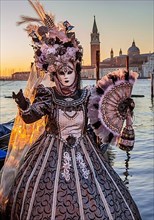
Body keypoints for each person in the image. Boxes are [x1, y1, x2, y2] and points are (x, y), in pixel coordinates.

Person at [0, 0, 141, 219]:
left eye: (70, 72)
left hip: (86, 154)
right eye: (61, 73)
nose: (66, 77)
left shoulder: (88, 97)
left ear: (76, 70)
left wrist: (124, 113)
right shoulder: (48, 96)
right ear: (54, 75)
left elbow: (102, 126)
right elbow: (30, 118)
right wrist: (24, 105)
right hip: (49, 155)